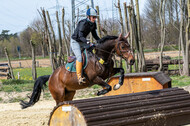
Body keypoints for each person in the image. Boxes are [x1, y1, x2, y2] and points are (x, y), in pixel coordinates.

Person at [71, 8, 100, 85]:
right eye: (93, 17)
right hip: (76, 41)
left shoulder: (93, 24)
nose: (94, 18)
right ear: (88, 16)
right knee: (79, 57)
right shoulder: (83, 23)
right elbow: (80, 36)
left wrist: (100, 41)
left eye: (95, 17)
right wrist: (88, 42)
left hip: (83, 41)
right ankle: (79, 77)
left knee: (93, 51)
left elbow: (94, 35)